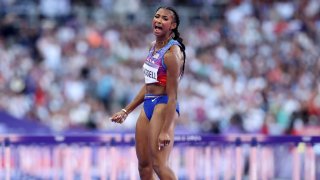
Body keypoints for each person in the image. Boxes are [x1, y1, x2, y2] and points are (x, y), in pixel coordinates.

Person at [110, 6, 186, 180]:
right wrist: (126, 111)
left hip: (164, 105)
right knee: (144, 166)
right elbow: (148, 85)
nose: (159, 20)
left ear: (173, 25)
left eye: (165, 19)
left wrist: (166, 129)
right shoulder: (153, 47)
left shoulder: (171, 54)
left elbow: (173, 95)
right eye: (157, 16)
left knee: (159, 164)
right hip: (148, 104)